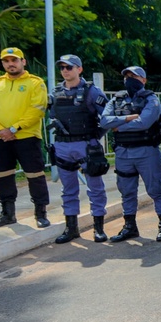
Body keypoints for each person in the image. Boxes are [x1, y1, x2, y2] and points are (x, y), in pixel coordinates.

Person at [0, 46, 50, 228]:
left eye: (14, 60)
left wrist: (13, 128)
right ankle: (7, 213)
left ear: (23, 62)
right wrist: (0, 130)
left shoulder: (35, 83)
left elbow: (37, 109)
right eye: (6, 61)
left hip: (27, 136)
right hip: (0, 137)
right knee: (3, 175)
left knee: (35, 175)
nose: (10, 64)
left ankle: (40, 213)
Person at [99, 66, 161, 242]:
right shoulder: (116, 100)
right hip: (123, 152)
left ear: (143, 80)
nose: (129, 79)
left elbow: (144, 123)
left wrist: (118, 126)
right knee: (126, 191)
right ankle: (130, 226)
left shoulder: (151, 99)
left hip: (146, 151)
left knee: (156, 189)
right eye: (127, 76)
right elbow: (104, 121)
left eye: (134, 76)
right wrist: (128, 118)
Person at [49, 54, 109, 244]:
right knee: (68, 189)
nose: (65, 71)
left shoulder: (92, 91)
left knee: (95, 187)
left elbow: (108, 117)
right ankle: (71, 229)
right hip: (62, 145)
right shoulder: (56, 92)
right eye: (62, 68)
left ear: (79, 69)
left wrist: (96, 136)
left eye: (69, 67)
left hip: (86, 145)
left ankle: (98, 228)